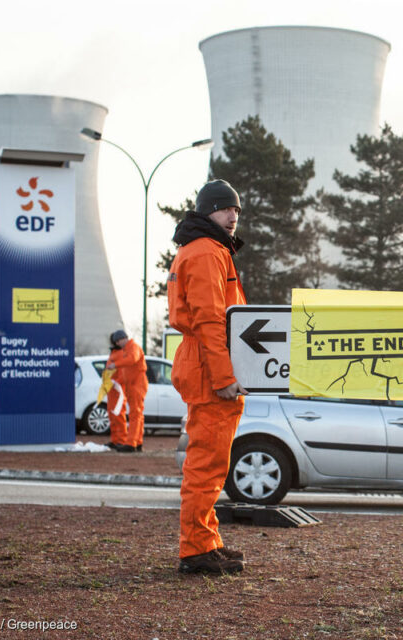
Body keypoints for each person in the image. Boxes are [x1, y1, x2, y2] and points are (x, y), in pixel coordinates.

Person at [166, 179, 248, 576]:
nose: (232, 215)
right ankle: (196, 549)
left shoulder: (205, 249)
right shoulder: (205, 253)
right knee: (206, 463)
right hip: (207, 366)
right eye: (223, 207)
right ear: (206, 212)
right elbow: (211, 319)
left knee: (212, 462)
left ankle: (206, 540)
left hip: (203, 362)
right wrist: (223, 376)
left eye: (236, 209)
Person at [105, 329, 148, 452]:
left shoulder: (133, 347)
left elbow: (132, 359)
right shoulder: (126, 350)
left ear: (124, 338)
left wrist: (116, 364)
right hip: (132, 384)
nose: (118, 343)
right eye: (116, 342)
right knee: (137, 413)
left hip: (137, 384)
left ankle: (131, 443)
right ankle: (137, 442)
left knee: (135, 413)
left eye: (119, 340)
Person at [103, 343, 131, 452]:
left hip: (118, 389)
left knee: (119, 415)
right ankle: (115, 440)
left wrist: (116, 383)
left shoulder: (120, 354)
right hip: (112, 389)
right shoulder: (114, 354)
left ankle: (121, 440)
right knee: (112, 415)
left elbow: (121, 372)